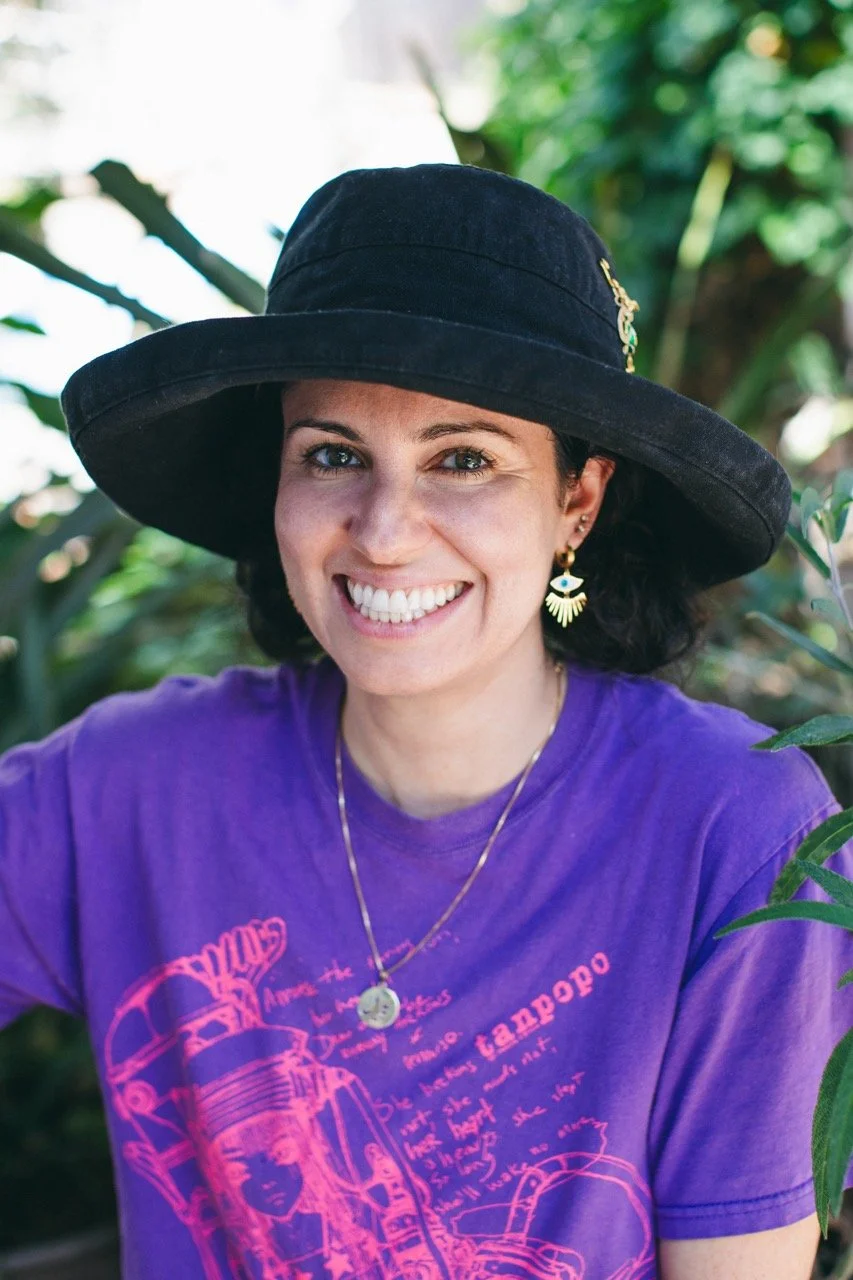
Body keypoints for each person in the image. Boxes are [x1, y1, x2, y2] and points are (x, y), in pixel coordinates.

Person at [3, 162, 852, 1280]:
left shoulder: (733, 829)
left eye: (463, 459)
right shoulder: (127, 789)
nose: (385, 531)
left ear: (576, 500)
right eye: (333, 454)